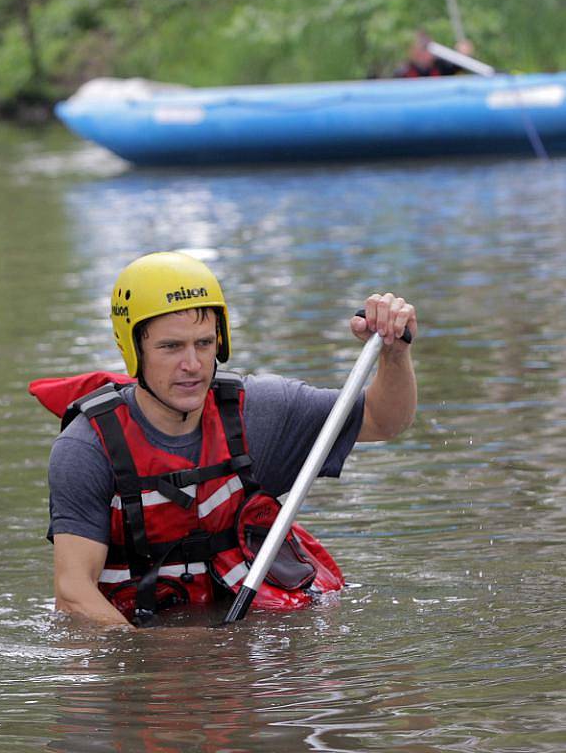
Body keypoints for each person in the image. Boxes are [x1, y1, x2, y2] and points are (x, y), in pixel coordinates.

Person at [30, 251, 418, 627]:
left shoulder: (261, 411)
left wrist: (395, 353)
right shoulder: (86, 448)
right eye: (171, 347)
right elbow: (73, 593)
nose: (193, 365)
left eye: (203, 343)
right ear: (133, 351)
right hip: (143, 639)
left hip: (248, 638)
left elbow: (383, 422)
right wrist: (155, 661)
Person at [392, 30, 474, 78]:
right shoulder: (403, 73)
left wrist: (463, 54)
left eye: (427, 48)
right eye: (422, 48)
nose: (425, 53)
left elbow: (459, 65)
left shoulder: (441, 67)